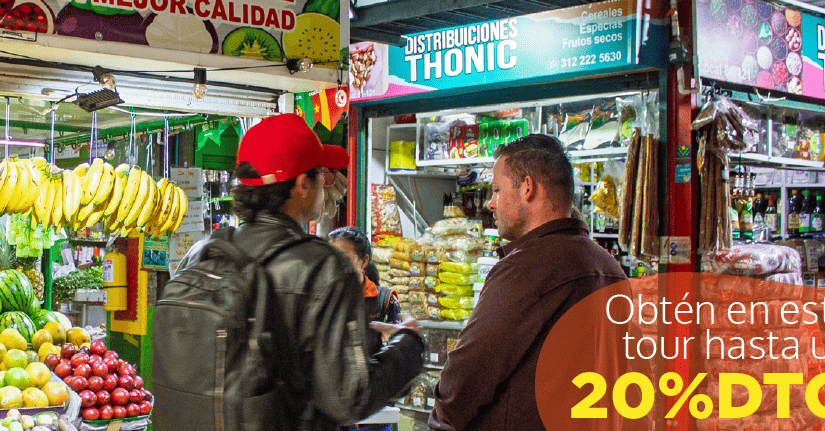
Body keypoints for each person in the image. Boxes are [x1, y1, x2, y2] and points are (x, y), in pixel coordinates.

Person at [162, 113, 426, 431]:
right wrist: (408, 347)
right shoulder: (323, 267)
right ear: (302, 184)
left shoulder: (201, 254)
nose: (327, 181)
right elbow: (347, 399)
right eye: (321, 173)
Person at [429, 134, 628, 431]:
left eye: (496, 190)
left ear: (527, 188)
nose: (490, 203)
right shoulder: (610, 268)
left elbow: (468, 374)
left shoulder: (524, 270)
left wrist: (441, 419)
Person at [328, 226, 408, 346]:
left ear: (364, 261)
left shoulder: (385, 300)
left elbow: (401, 347)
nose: (335, 265)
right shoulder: (323, 298)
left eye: (343, 258)